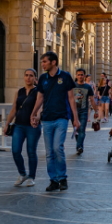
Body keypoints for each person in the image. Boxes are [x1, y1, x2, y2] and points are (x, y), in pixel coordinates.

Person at [30, 52, 79, 192]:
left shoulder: (65, 76)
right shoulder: (43, 78)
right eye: (42, 62)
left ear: (53, 62)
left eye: (44, 61)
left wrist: (75, 119)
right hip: (47, 119)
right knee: (49, 152)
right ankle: (53, 180)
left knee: (58, 147)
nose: (42, 64)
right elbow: (40, 99)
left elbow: (71, 99)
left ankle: (62, 178)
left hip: (61, 118)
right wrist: (33, 114)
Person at [5, 68, 41, 187]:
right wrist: (7, 124)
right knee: (15, 150)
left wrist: (38, 117)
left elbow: (40, 108)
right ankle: (22, 174)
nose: (28, 78)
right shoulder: (19, 92)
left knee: (31, 151)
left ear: (35, 78)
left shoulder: (38, 92)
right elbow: (14, 109)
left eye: (31, 75)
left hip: (32, 126)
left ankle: (31, 177)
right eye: (26, 75)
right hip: (19, 125)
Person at [72, 69, 98, 155]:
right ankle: (79, 144)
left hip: (84, 111)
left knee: (82, 129)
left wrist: (96, 111)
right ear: (76, 76)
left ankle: (79, 147)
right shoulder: (72, 86)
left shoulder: (88, 87)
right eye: (78, 75)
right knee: (77, 130)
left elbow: (92, 99)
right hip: (74, 112)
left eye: (82, 75)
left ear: (84, 76)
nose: (80, 76)